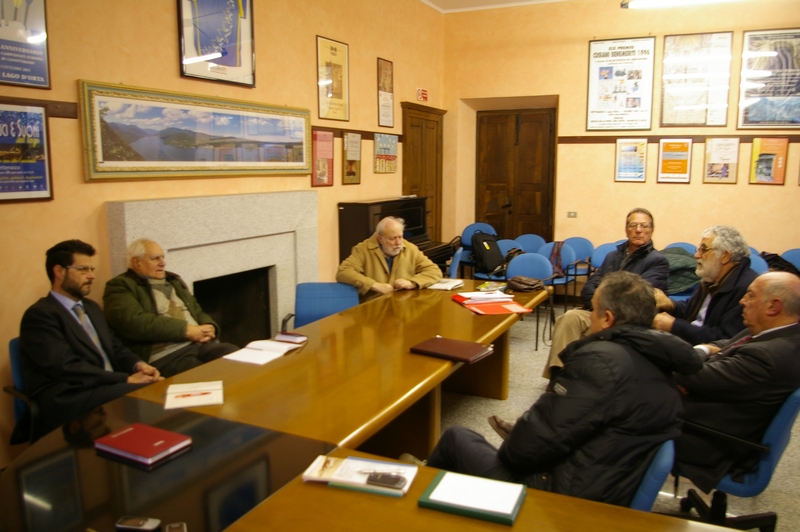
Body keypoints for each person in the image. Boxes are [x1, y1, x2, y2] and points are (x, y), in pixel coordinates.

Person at [423, 272, 702, 507]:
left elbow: (521, 453)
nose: (588, 317)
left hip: (562, 499)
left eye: (592, 309)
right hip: (606, 487)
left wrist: (524, 433)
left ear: (607, 318)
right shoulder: (663, 361)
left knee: (455, 438)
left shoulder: (600, 363)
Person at [17, 240, 162, 443]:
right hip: (72, 393)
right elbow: (66, 366)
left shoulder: (91, 307)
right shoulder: (40, 316)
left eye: (91, 269)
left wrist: (139, 365)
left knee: (158, 385)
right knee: (149, 392)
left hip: (103, 385)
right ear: (59, 272)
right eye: (83, 269)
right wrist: (124, 379)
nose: (92, 275)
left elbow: (115, 346)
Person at [674, 271, 800, 493]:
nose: (742, 300)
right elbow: (726, 344)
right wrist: (703, 350)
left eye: (750, 295)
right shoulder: (777, 332)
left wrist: (685, 376)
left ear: (773, 306)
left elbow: (689, 375)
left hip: (710, 440)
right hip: (724, 416)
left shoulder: (768, 356)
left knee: (623, 414)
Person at [541, 207, 669, 378]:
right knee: (569, 318)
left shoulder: (657, 261)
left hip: (628, 320)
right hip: (599, 312)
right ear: (626, 229)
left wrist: (603, 299)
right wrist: (602, 303)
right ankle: (560, 375)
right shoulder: (612, 256)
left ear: (652, 230)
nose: (638, 230)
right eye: (633, 225)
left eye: (644, 226)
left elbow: (637, 298)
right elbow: (589, 286)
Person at [103, 238, 238, 378]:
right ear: (137, 262)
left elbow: (196, 309)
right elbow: (134, 322)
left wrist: (210, 326)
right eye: (155, 258)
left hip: (198, 344)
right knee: (202, 375)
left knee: (234, 355)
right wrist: (185, 330)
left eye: (163, 257)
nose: (163, 263)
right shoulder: (120, 286)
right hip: (167, 355)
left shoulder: (173, 280)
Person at [652, 226, 758, 345]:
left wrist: (673, 326)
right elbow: (692, 310)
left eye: (703, 249)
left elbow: (724, 339)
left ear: (725, 256)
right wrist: (670, 304)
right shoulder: (711, 278)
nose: (696, 255)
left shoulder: (747, 289)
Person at [336, 216, 442, 302]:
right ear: (380, 239)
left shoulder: (410, 248)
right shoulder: (363, 249)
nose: (398, 243)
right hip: (373, 310)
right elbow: (343, 272)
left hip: (403, 308)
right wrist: (373, 285)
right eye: (393, 238)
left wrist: (412, 283)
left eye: (400, 237)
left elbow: (434, 271)